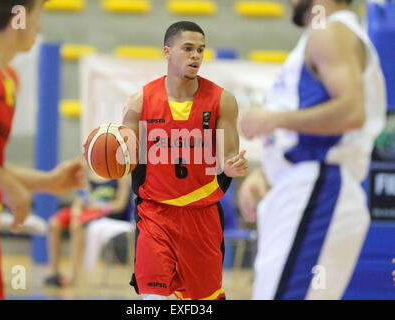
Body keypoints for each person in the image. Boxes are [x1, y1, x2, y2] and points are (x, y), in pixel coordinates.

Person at [238, 0, 386, 299]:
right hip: (306, 185)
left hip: (318, 186)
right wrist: (268, 175)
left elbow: (350, 113)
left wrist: (271, 119)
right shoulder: (323, 34)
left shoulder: (330, 31)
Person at [0, 0, 85, 300]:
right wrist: (5, 183)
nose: (40, 26)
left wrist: (47, 182)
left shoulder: (8, 79)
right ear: (19, 17)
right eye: (37, 16)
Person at [122, 21, 249, 300]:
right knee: (152, 299)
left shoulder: (223, 101)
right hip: (155, 213)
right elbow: (125, 159)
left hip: (201, 217)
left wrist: (230, 165)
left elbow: (228, 155)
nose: (196, 56)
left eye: (201, 50)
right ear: (167, 52)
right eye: (188, 49)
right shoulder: (139, 103)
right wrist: (109, 156)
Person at [45, 172, 131, 287]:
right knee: (54, 223)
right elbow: (80, 200)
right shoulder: (88, 174)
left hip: (105, 213)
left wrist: (99, 207)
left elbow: (120, 204)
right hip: (87, 210)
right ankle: (53, 272)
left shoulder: (122, 175)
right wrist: (76, 211)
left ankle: (73, 275)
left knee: (76, 224)